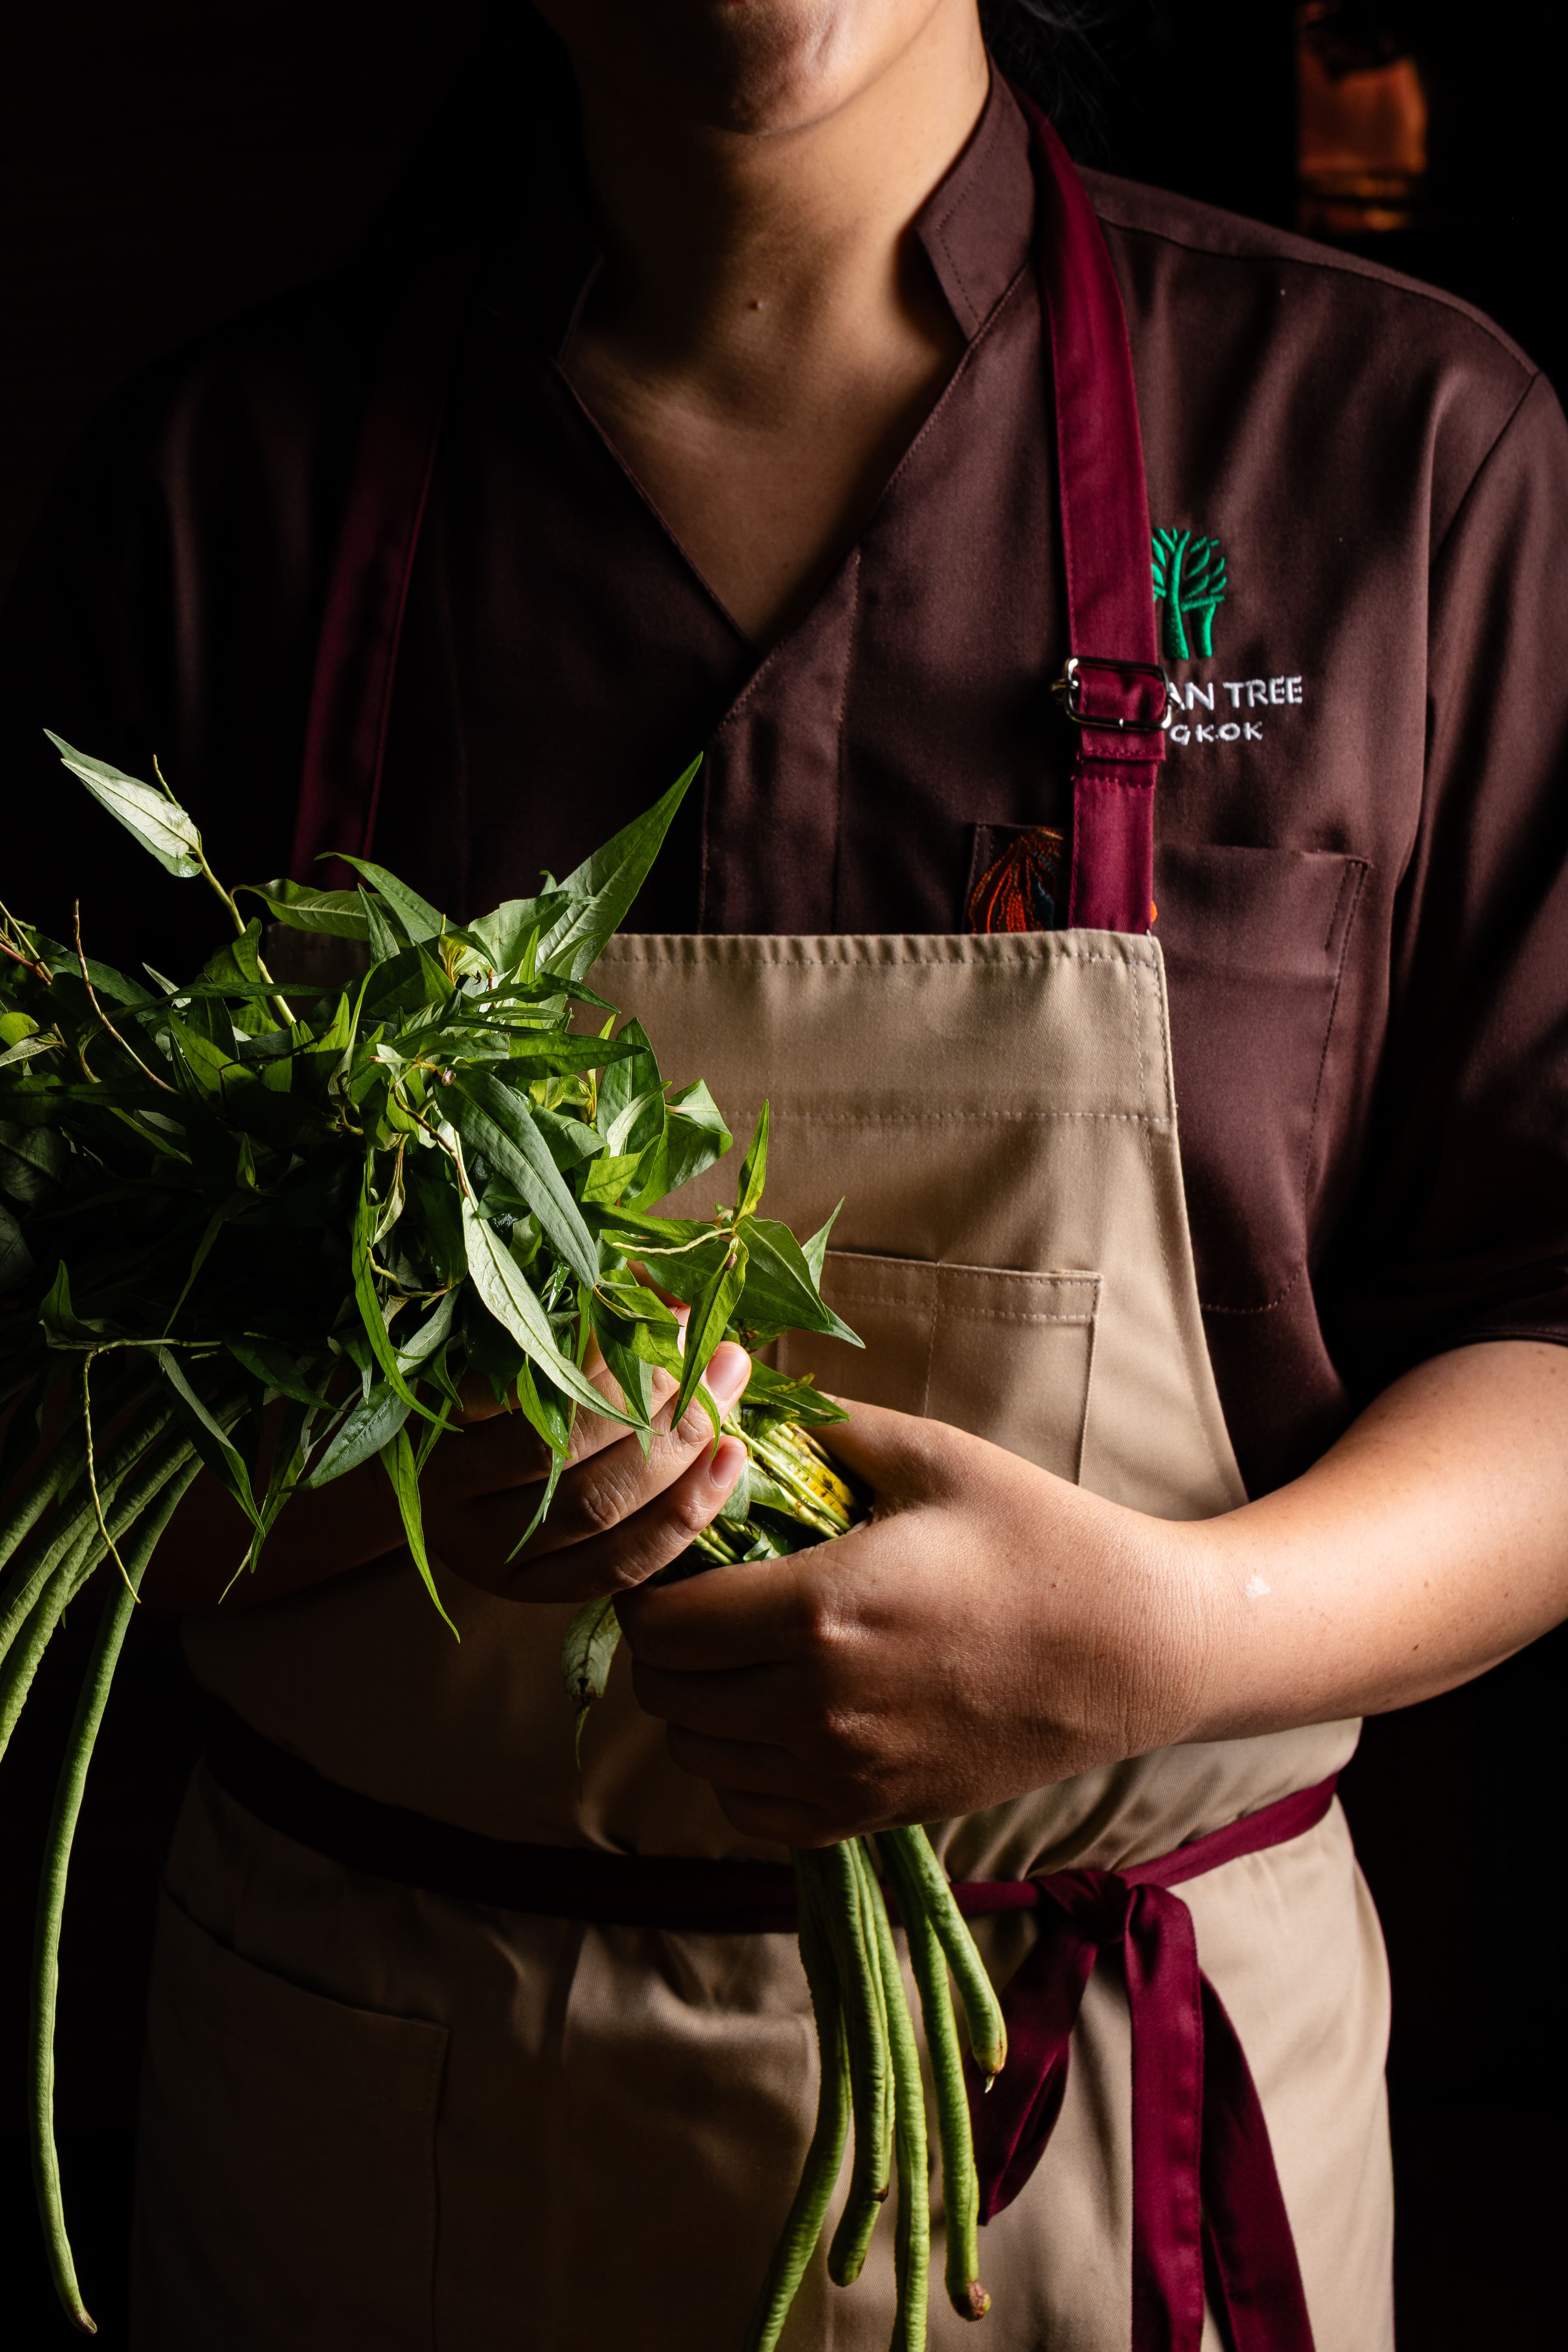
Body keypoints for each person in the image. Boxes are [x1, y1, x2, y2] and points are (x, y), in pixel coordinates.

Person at [4, 3, 1568, 2346]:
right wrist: (417, 1466)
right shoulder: (226, 502)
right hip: (385, 2125)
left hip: (1094, 2141)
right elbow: (55, 1432)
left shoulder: (1406, 450)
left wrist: (1155, 1641)